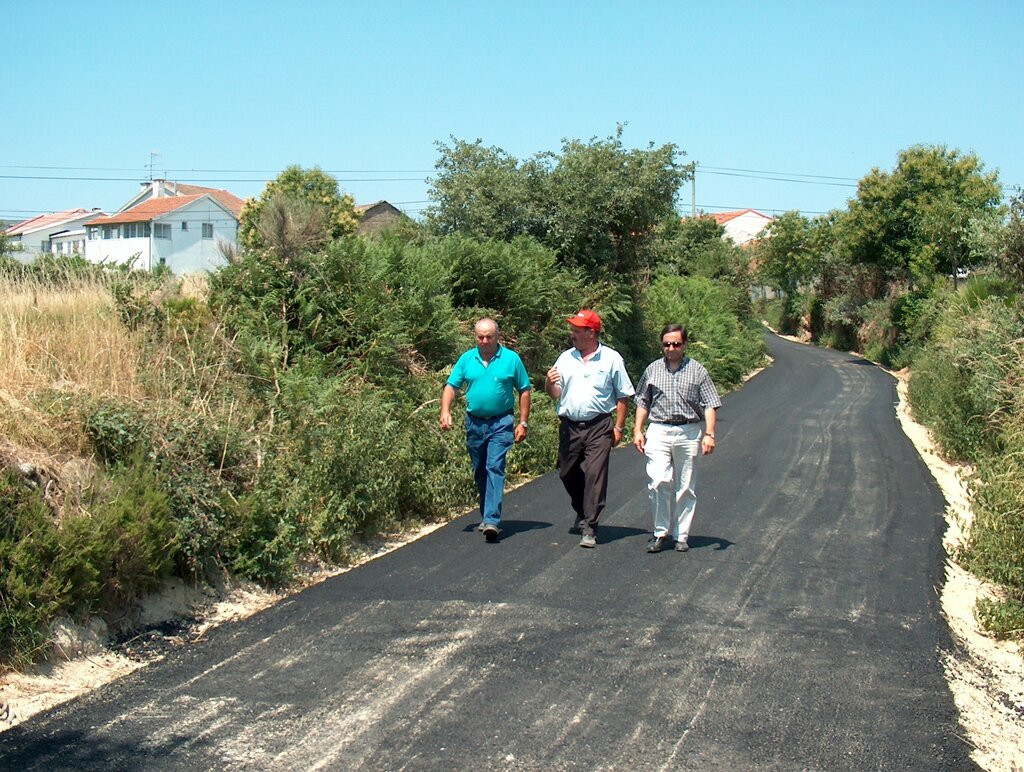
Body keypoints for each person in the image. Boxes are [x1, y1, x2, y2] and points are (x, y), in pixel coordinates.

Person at [545, 309, 635, 548]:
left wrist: (619, 427)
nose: (572, 333)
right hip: (570, 426)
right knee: (566, 471)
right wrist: (549, 382)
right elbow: (555, 393)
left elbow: (623, 395)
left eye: (577, 330)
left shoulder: (612, 359)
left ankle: (590, 527)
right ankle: (583, 509)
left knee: (595, 475)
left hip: (599, 425)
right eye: (572, 329)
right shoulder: (565, 358)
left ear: (591, 333)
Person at [632, 324, 721, 553]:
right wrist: (637, 430)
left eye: (676, 344)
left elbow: (710, 403)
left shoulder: (698, 371)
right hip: (659, 430)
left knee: (685, 487)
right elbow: (643, 401)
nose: (671, 348)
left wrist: (709, 434)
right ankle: (660, 532)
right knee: (659, 480)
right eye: (666, 344)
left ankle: (681, 535)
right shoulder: (652, 369)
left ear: (685, 345)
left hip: (688, 432)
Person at [441, 318, 531, 543]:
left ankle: (492, 519)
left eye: (489, 336)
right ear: (475, 337)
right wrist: (445, 411)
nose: (485, 341)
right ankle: (486, 513)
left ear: (497, 336)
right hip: (475, 423)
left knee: (494, 466)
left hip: (501, 422)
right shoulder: (467, 359)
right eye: (480, 337)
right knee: (480, 469)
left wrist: (523, 422)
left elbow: (524, 389)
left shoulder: (511, 359)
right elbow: (452, 386)